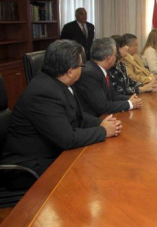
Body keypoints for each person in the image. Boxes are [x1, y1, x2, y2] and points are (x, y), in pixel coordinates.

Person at [0, 40, 121, 184]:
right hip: (30, 166)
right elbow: (67, 139)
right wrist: (103, 131)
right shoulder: (43, 92)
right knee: (94, 177)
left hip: (53, 152)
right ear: (70, 71)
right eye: (81, 65)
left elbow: (79, 116)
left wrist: (101, 122)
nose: (83, 69)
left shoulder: (60, 82)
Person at [74, 38, 142, 117]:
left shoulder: (101, 68)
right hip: (94, 119)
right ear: (109, 58)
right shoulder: (89, 74)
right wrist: (130, 104)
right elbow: (102, 106)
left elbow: (112, 95)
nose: (116, 58)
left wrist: (130, 98)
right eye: (115, 54)